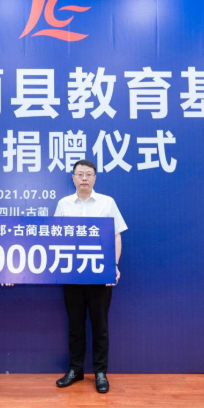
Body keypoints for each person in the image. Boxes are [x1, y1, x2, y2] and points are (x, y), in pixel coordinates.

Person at [54, 159, 127, 394]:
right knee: (75, 326)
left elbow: (116, 236)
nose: (84, 178)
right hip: (72, 275)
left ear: (95, 178)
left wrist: (114, 265)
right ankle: (75, 370)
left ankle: (100, 372)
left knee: (100, 326)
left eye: (88, 174)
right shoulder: (64, 204)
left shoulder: (107, 202)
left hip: (100, 274)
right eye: (80, 174)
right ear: (73, 178)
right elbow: (54, 237)